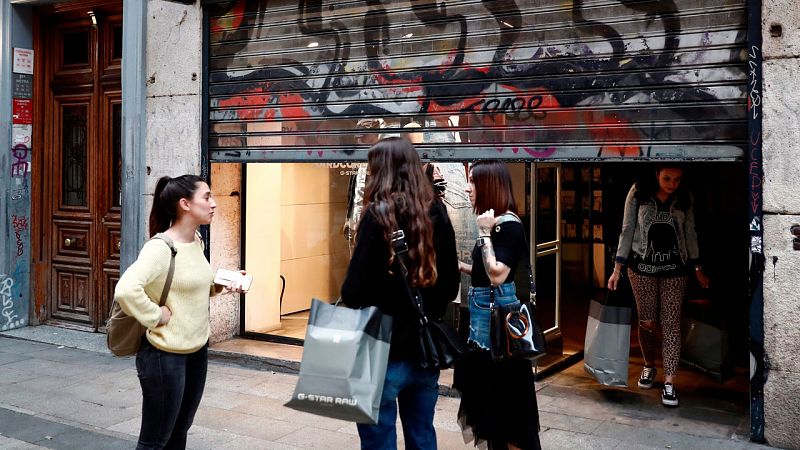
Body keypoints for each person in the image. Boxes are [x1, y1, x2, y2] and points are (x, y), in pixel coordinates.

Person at [341, 137, 460, 449]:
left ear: (382, 171)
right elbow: (450, 287)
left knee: (379, 440)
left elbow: (352, 292)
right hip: (425, 350)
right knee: (422, 437)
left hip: (380, 349)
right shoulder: (437, 213)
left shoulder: (377, 216)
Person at [114, 175, 247, 449]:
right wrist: (156, 315)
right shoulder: (160, 248)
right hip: (165, 355)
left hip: (196, 351)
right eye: (207, 197)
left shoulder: (196, 241)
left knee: (179, 432)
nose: (213, 204)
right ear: (185, 204)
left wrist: (223, 283)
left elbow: (193, 284)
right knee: (155, 441)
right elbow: (126, 290)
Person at [454, 161, 541, 450]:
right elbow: (483, 272)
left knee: (505, 409)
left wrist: (484, 234)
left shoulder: (505, 225)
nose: (468, 188)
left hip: (497, 333)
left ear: (490, 185)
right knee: (493, 407)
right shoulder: (496, 223)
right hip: (484, 327)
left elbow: (497, 274)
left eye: (473, 182)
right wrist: (462, 267)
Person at [607, 164, 710, 407]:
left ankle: (670, 382)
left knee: (671, 323)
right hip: (641, 268)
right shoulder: (638, 192)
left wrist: (697, 268)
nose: (672, 184)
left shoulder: (684, 197)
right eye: (666, 178)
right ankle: (649, 365)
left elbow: (690, 232)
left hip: (676, 269)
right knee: (647, 321)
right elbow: (627, 229)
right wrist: (617, 269)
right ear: (656, 174)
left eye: (677, 179)